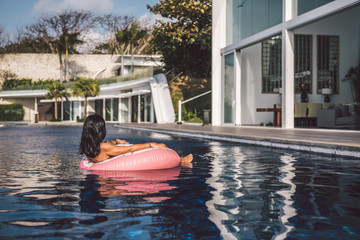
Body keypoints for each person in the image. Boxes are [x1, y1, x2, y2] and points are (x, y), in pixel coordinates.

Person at [80, 114, 193, 164]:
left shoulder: (87, 146)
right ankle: (181, 160)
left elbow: (106, 144)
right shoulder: (103, 147)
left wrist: (117, 141)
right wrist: (151, 144)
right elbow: (130, 149)